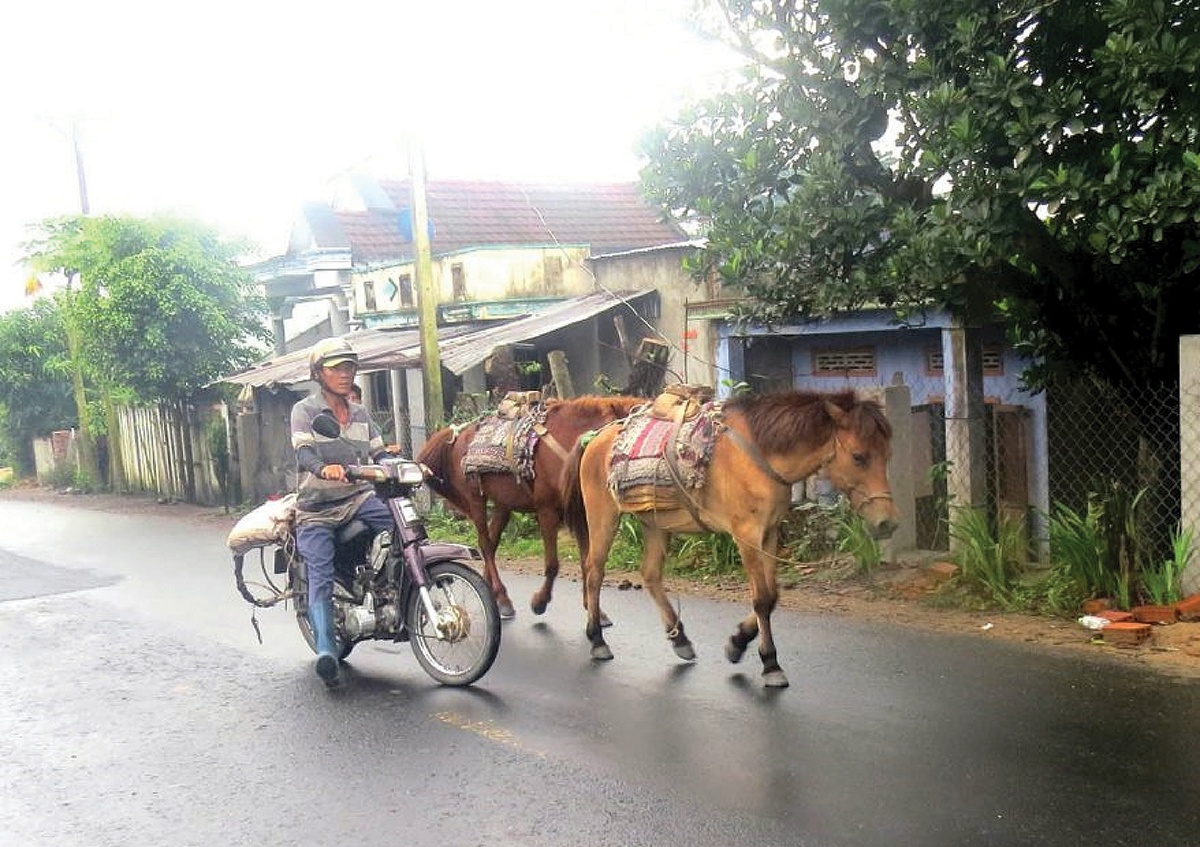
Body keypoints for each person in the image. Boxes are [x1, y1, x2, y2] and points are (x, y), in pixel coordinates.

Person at [291, 337, 393, 686]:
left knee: (398, 518)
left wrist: (401, 465)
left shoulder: (361, 413)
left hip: (357, 498)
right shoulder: (304, 411)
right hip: (316, 508)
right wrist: (323, 468)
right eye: (336, 368)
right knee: (319, 572)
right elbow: (304, 454)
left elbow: (380, 454)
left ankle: (387, 589)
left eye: (349, 367)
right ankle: (325, 651)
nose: (345, 374)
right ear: (319, 373)